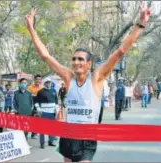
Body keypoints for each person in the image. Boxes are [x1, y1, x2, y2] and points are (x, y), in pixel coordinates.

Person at [25, 4, 151, 162]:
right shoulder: (68, 77)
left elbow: (120, 51)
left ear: (89, 64)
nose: (76, 62)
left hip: (87, 138)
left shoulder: (97, 78)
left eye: (80, 59)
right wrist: (31, 29)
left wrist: (141, 24)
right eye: (74, 59)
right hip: (68, 135)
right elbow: (46, 56)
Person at [35, 77, 58, 149]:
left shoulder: (54, 91)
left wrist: (57, 108)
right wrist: (38, 108)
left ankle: (51, 141)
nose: (49, 84)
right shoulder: (40, 91)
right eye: (47, 82)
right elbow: (36, 101)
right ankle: (42, 143)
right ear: (44, 83)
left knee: (52, 128)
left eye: (49, 82)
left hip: (52, 113)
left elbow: (56, 101)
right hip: (44, 112)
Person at [27, 74, 43, 139]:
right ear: (34, 80)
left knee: (36, 120)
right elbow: (27, 97)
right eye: (37, 79)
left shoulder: (42, 88)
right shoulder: (29, 87)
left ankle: (34, 134)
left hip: (39, 106)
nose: (38, 80)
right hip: (31, 105)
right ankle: (25, 133)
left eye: (39, 79)